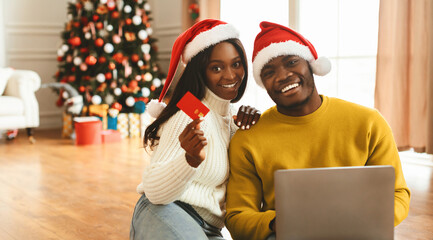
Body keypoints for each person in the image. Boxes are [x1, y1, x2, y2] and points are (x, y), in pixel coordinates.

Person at [225, 21, 411, 240]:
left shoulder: (369, 122)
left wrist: (364, 219)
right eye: (269, 72)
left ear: (311, 65)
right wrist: (280, 222)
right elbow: (238, 217)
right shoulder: (248, 139)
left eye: (292, 62)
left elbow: (397, 195)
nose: (283, 75)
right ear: (263, 83)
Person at [130, 19, 260, 240]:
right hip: (166, 210)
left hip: (210, 228)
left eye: (236, 64)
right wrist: (189, 160)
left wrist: (247, 132)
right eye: (216, 68)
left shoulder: (228, 115)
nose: (230, 75)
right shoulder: (191, 112)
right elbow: (153, 191)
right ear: (201, 71)